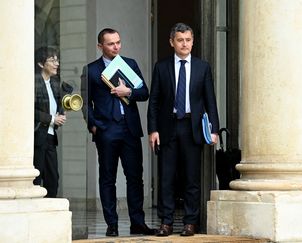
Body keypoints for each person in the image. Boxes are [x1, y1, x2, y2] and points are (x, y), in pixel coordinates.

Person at [147, 22, 219, 237]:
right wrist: (153, 129)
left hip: (192, 128)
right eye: (180, 40)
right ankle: (166, 222)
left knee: (191, 179)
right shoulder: (161, 67)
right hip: (168, 127)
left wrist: (213, 129)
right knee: (166, 178)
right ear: (172, 42)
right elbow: (154, 102)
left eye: (188, 40)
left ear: (193, 41)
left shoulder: (202, 67)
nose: (184, 44)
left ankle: (190, 222)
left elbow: (210, 101)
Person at [80, 28, 153, 237]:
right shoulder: (91, 70)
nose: (116, 47)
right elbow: (85, 103)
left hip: (129, 129)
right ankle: (111, 224)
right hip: (106, 130)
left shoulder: (129, 64)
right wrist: (94, 126)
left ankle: (137, 223)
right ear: (100, 46)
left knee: (135, 178)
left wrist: (127, 91)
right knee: (107, 179)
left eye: (118, 42)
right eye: (111, 44)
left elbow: (144, 93)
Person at [34, 47, 66, 198]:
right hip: (37, 137)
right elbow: (29, 111)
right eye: (52, 60)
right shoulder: (34, 83)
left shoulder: (54, 83)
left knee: (53, 179)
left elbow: (56, 108)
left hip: (50, 137)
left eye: (57, 60)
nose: (56, 63)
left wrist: (61, 114)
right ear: (41, 64)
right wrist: (52, 119)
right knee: (35, 179)